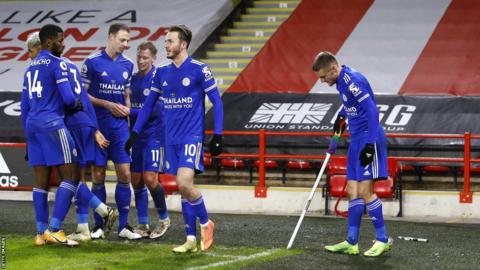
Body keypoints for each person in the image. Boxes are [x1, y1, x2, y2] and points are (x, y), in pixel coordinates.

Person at [127, 25, 223, 252]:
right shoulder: (161, 72)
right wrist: (135, 132)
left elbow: (217, 102)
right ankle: (190, 239)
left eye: (170, 41)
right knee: (183, 189)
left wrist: (218, 134)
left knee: (183, 183)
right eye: (166, 41)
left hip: (192, 136)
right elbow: (149, 104)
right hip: (170, 139)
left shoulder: (200, 69)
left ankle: (206, 222)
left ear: (183, 44)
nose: (166, 45)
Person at [312, 51, 392, 257]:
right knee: (352, 189)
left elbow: (372, 110)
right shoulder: (340, 83)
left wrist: (370, 144)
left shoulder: (351, 79)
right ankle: (352, 242)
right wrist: (339, 120)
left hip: (368, 137)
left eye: (323, 77)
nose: (321, 81)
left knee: (366, 190)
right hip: (356, 139)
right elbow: (351, 106)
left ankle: (382, 239)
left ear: (333, 69)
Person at [21, 24, 83, 246]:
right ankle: (55, 229)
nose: (63, 43)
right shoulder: (58, 65)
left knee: (41, 181)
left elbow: (25, 106)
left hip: (32, 126)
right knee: (71, 175)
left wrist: (28, 138)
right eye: (60, 39)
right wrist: (77, 105)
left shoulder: (29, 69)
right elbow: (68, 99)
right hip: (52, 124)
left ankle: (40, 233)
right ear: (48, 42)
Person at [81, 23, 141, 240]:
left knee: (125, 174)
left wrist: (127, 122)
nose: (126, 44)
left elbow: (126, 95)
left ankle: (123, 227)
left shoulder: (128, 64)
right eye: (123, 40)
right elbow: (82, 96)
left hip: (119, 128)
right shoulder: (92, 62)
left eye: (128, 41)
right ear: (111, 37)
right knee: (98, 175)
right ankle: (99, 225)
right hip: (98, 126)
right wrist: (105, 105)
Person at [61, 50, 119, 242]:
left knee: (71, 179)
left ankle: (104, 211)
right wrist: (94, 129)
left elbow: (66, 101)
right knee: (78, 178)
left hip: (73, 125)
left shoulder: (53, 68)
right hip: (86, 124)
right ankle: (83, 227)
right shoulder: (71, 67)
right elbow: (85, 99)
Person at [129, 41, 170, 239]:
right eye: (139, 57)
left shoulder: (158, 77)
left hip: (154, 135)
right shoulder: (134, 79)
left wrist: (129, 111)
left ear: (153, 58)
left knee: (149, 178)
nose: (141, 61)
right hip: (136, 136)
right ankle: (143, 223)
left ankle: (164, 219)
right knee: (135, 179)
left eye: (145, 57)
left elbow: (155, 110)